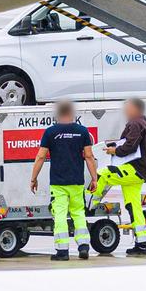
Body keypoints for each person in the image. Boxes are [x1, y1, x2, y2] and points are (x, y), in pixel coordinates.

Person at [29, 100, 99, 260]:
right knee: (78, 213)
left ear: (58, 113)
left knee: (60, 214)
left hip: (58, 183)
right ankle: (83, 246)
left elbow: (40, 156)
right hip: (77, 182)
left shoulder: (50, 132)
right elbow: (89, 156)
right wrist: (94, 178)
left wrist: (34, 178)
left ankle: (62, 251)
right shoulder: (82, 131)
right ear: (71, 113)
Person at [97, 97, 146, 254]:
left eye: (127, 108)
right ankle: (142, 244)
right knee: (133, 207)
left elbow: (129, 146)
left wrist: (114, 150)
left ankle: (88, 204)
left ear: (135, 109)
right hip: (140, 172)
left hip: (133, 169)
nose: (125, 111)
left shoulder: (136, 123)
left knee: (104, 174)